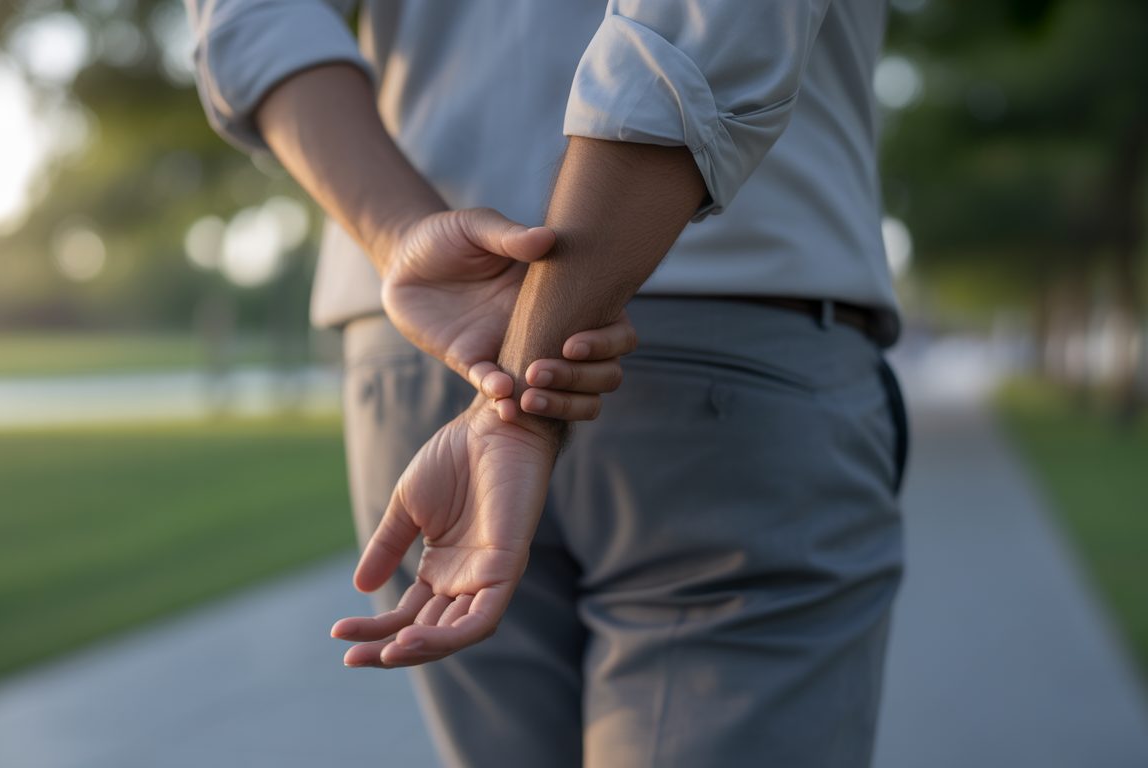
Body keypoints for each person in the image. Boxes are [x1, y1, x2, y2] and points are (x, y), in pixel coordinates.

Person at [188, 1, 908, 765]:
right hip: (734, 323)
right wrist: (533, 363)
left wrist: (399, 235)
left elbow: (253, 16)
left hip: (422, 344)